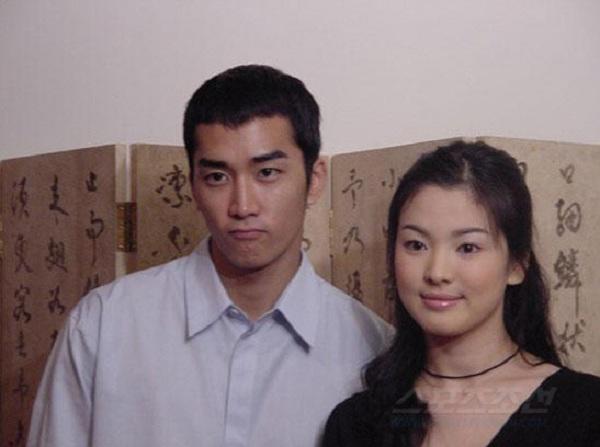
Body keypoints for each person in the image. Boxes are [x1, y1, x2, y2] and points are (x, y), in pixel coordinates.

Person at [27, 65, 392, 447]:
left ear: (314, 180)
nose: (242, 206)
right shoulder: (104, 326)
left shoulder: (374, 351)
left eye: (267, 172)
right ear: (193, 186)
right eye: (217, 177)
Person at [323, 141, 600, 446]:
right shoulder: (357, 423)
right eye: (416, 245)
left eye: (467, 247)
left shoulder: (585, 412)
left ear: (516, 265)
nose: (437, 272)